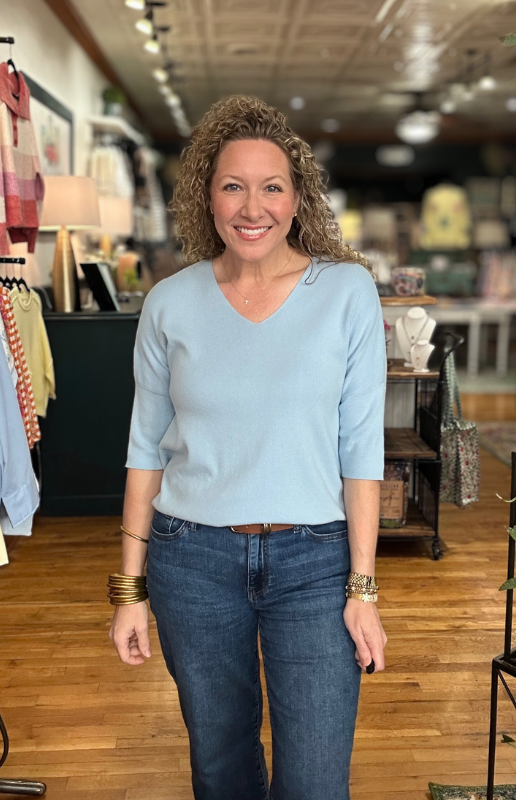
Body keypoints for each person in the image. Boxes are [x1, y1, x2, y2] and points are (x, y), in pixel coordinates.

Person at [109, 94, 388, 800]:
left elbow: (361, 449)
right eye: (233, 186)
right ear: (207, 196)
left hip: (315, 562)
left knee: (316, 780)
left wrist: (362, 588)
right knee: (221, 768)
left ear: (298, 199)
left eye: (272, 187)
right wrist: (129, 591)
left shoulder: (346, 292)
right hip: (191, 561)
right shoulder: (169, 303)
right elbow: (145, 449)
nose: (252, 207)